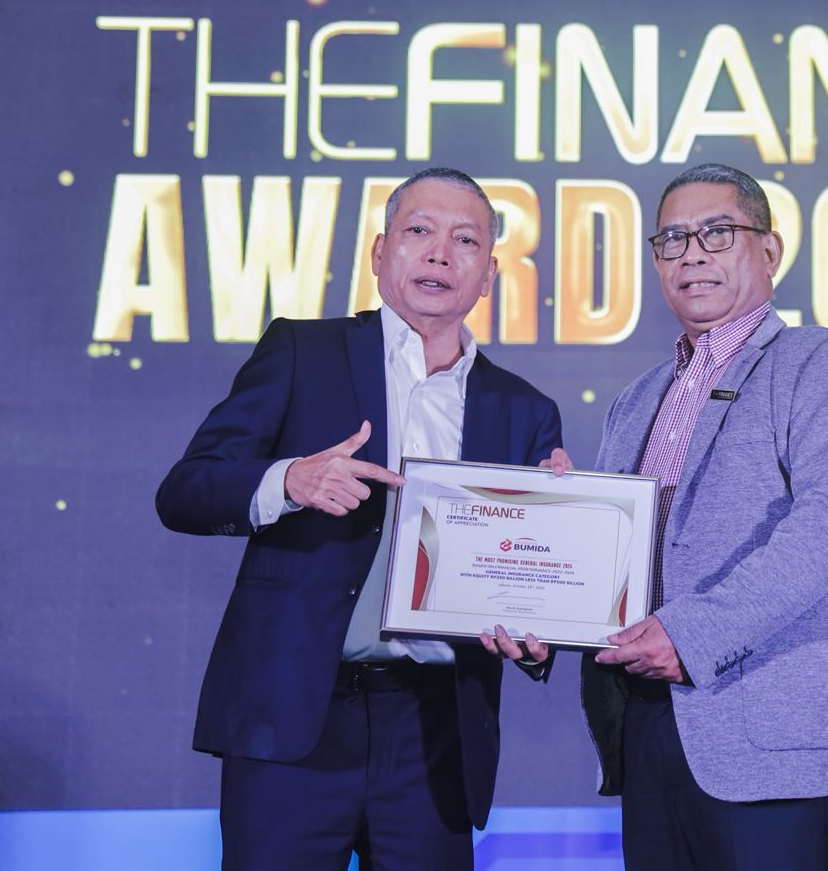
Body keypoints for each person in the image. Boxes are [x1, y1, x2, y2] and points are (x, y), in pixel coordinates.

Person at [156, 167, 563, 871]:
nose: (440, 253)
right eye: (419, 231)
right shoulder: (302, 353)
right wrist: (291, 480)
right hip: (294, 718)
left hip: (435, 732)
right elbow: (186, 491)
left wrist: (541, 625)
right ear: (379, 253)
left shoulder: (524, 411)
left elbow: (531, 580)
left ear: (489, 275)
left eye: (465, 240)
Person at [511, 162, 828, 870]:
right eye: (673, 240)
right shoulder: (635, 400)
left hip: (771, 736)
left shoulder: (821, 360)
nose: (692, 255)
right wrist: (545, 612)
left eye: (718, 232)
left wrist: (690, 634)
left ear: (770, 251)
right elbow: (614, 566)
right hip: (648, 727)